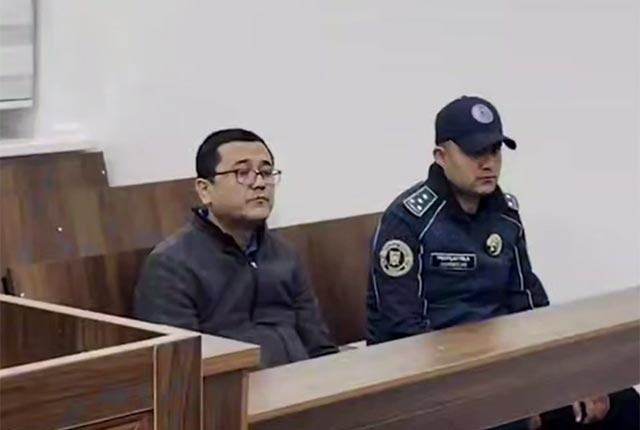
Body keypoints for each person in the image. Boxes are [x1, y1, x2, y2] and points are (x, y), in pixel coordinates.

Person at [366, 96, 639, 429]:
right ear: (441, 156)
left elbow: (529, 305)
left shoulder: (505, 216)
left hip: (501, 368)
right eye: (475, 152)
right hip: (434, 379)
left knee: (618, 400)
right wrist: (499, 392)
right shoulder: (407, 221)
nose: (489, 164)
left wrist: (568, 373)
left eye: (495, 151)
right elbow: (403, 332)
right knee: (518, 422)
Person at [134, 128, 338, 368]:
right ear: (204, 190)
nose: (259, 183)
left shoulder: (284, 254)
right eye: (242, 173)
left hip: (301, 381)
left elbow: (319, 345)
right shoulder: (171, 265)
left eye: (266, 172)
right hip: (235, 388)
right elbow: (180, 368)